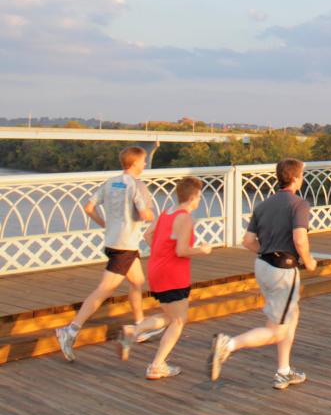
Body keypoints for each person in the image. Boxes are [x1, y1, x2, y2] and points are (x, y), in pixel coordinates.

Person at [209, 158, 317, 390]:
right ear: (297, 178)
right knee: (276, 330)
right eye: (301, 175)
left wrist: (268, 252)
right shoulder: (299, 204)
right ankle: (228, 344)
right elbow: (300, 238)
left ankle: (283, 371)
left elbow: (248, 241)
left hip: (263, 266)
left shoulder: (263, 205)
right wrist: (309, 261)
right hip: (283, 270)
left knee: (291, 315)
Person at [56, 146, 157, 362]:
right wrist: (153, 217)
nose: (145, 164)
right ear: (135, 163)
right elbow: (144, 213)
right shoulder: (136, 185)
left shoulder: (111, 182)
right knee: (104, 290)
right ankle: (71, 330)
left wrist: (105, 223)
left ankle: (139, 326)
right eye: (144, 161)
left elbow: (89, 207)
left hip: (113, 240)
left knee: (138, 281)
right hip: (125, 245)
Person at [117, 176, 213, 379]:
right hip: (173, 274)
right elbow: (181, 250)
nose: (199, 201)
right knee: (178, 321)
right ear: (193, 197)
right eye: (199, 197)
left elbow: (148, 236)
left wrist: (161, 253)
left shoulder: (167, 212)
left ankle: (133, 331)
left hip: (157, 269)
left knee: (170, 316)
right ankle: (156, 365)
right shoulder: (185, 218)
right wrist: (202, 250)